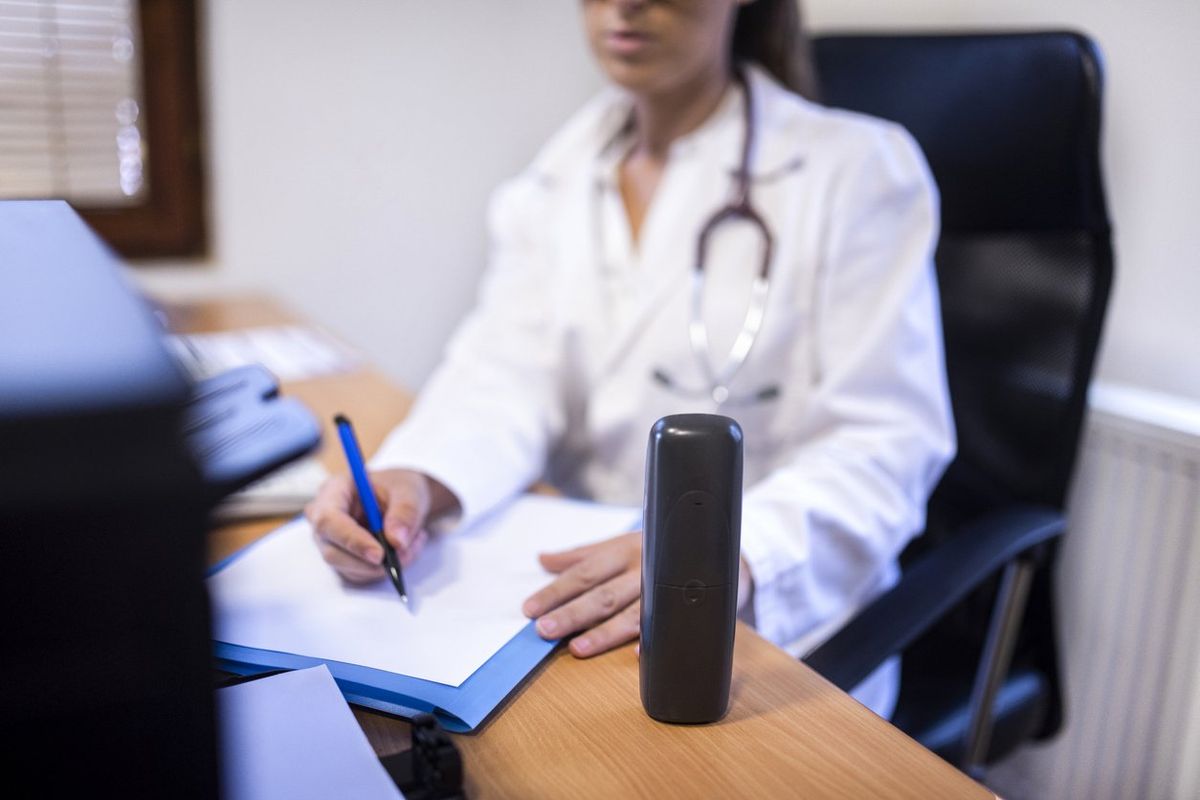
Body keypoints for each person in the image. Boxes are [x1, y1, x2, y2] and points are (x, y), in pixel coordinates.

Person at [306, 0, 955, 718]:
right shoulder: (553, 181)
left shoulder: (855, 171)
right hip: (580, 614)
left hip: (775, 644)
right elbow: (505, 372)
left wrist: (725, 558)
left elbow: (886, 443)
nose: (626, 4)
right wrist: (417, 479)